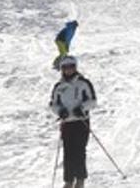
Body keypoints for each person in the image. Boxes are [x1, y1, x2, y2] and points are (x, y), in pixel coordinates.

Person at [49, 56, 96, 188]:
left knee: (79, 150)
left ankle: (80, 180)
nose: (69, 70)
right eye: (65, 67)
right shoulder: (59, 86)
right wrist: (60, 111)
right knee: (68, 152)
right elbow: (53, 104)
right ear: (62, 69)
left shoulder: (83, 83)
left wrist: (82, 109)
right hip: (67, 123)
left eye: (71, 67)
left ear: (75, 67)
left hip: (81, 122)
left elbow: (93, 101)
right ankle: (68, 180)